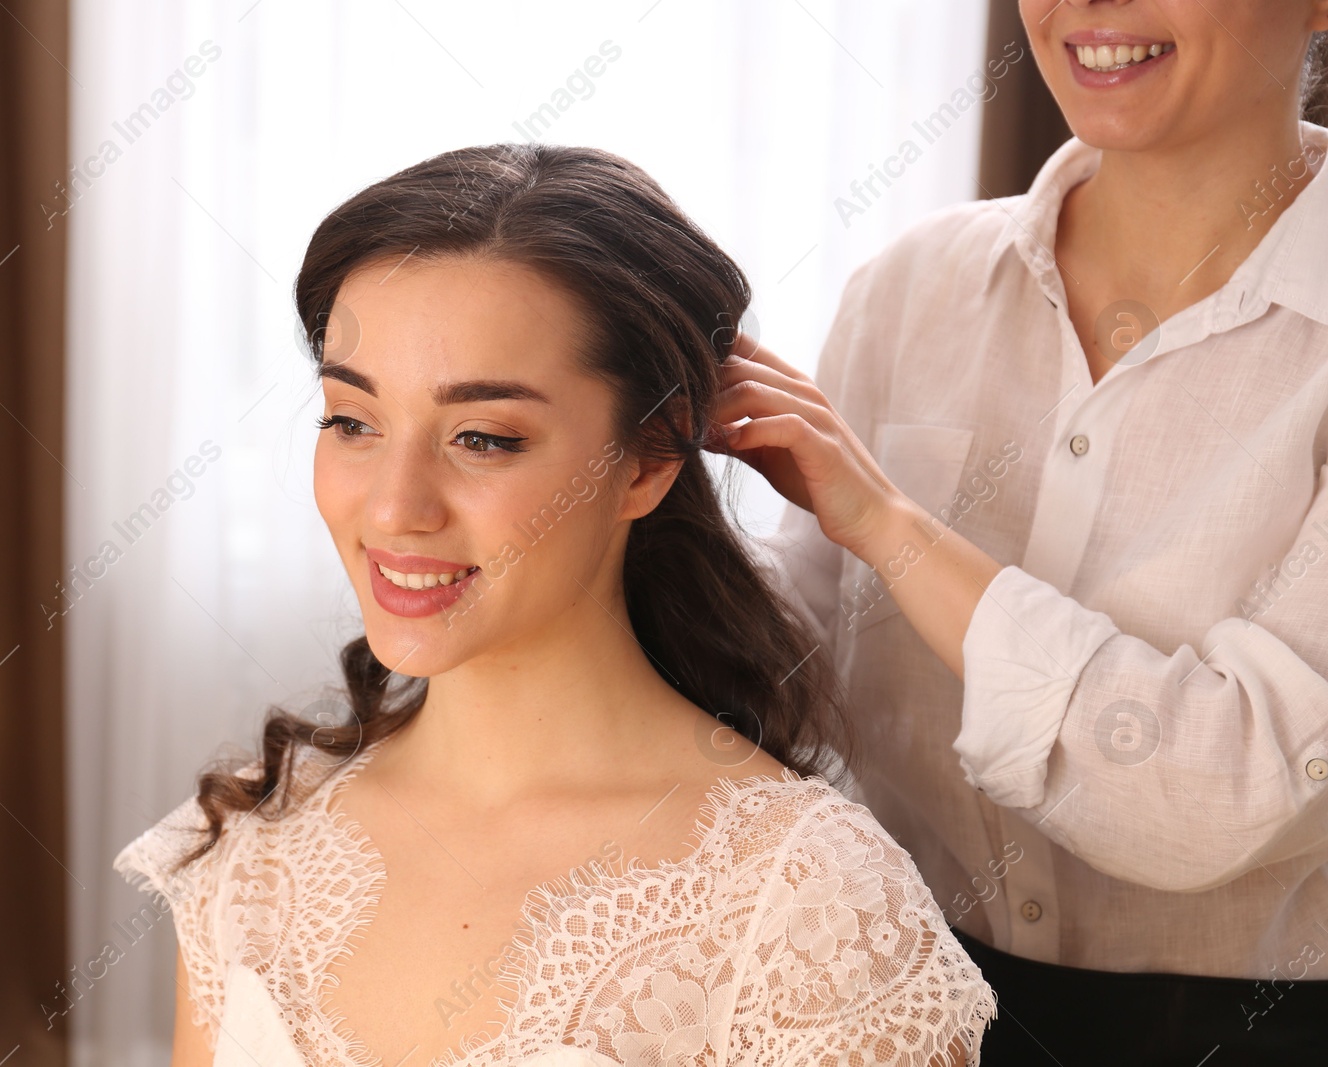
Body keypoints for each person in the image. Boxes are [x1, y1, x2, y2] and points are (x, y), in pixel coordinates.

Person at [115, 143, 995, 1066]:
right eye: (352, 421)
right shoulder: (254, 853)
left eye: (483, 438)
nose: (393, 508)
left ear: (649, 459)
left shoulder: (810, 909)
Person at [711, 1, 1328, 1062]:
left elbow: (1222, 791)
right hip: (900, 1007)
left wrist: (891, 527)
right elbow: (796, 676)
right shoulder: (912, 284)